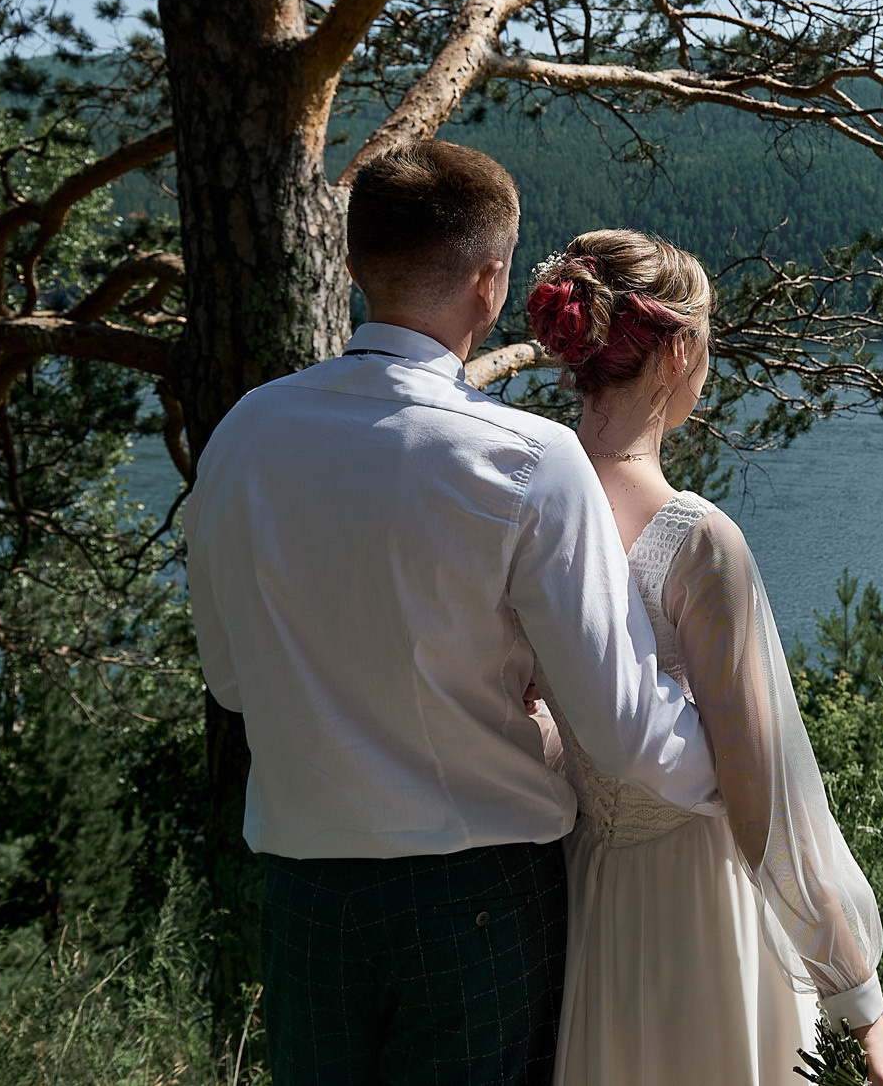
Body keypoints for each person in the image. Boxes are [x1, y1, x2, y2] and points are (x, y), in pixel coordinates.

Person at [184, 143, 721, 1085]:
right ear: (491, 280)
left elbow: (229, 679)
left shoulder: (245, 435)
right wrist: (741, 762)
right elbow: (625, 728)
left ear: (352, 266)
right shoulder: (526, 456)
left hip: (307, 895)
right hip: (476, 898)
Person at [522, 230, 883, 1086]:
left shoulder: (523, 516)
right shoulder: (699, 542)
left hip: (591, 905)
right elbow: (769, 799)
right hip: (705, 912)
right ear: (681, 351)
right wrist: (865, 1014)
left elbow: (525, 719)